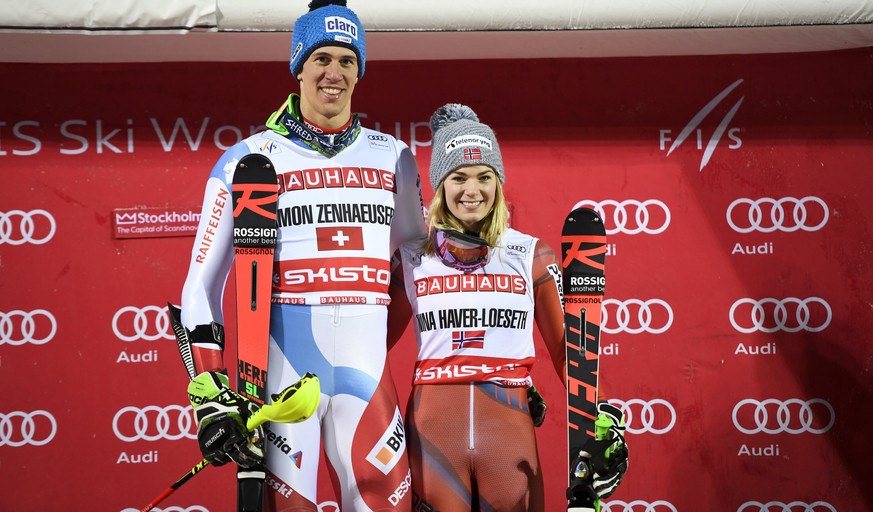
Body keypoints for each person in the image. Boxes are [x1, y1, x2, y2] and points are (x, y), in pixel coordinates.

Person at [171, 1, 425, 511]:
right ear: (299, 66)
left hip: (369, 377)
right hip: (285, 382)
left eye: (348, 60)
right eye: (321, 59)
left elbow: (417, 266)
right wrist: (211, 395)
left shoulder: (393, 155)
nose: (335, 73)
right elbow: (199, 288)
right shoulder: (247, 159)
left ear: (360, 71)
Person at [387, 104, 628, 511]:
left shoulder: (529, 253)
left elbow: (566, 349)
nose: (472, 190)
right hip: (434, 430)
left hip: (508, 429)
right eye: (458, 178)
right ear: (440, 185)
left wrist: (600, 414)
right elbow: (371, 342)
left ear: (498, 183)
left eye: (484, 177)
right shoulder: (413, 256)